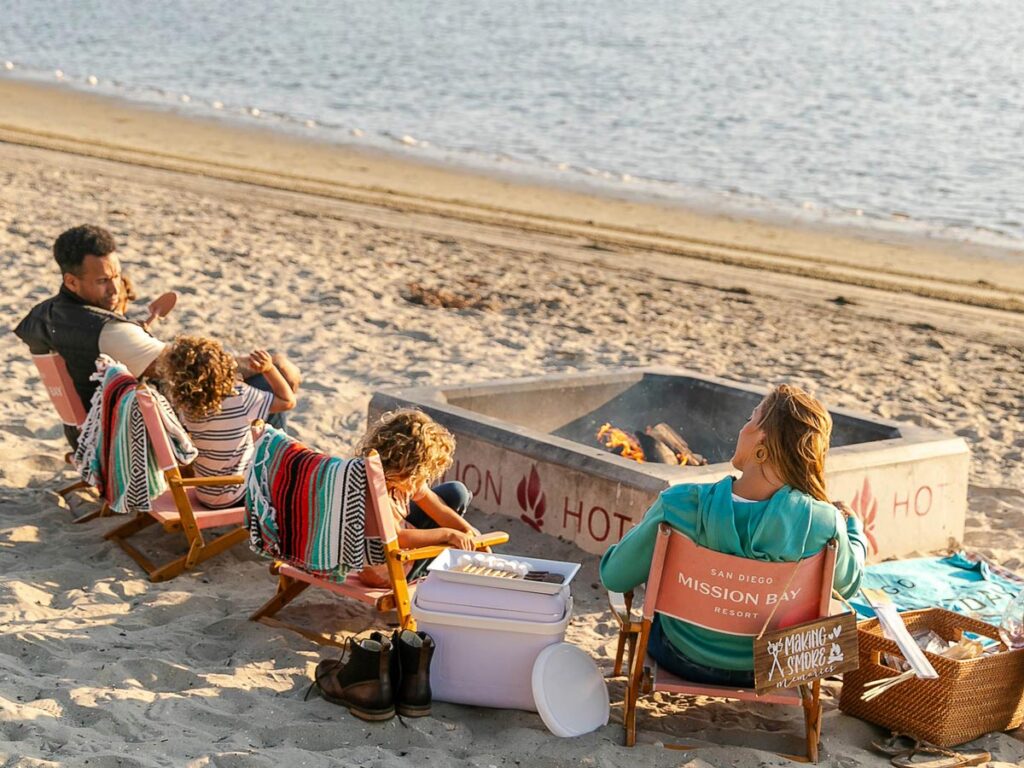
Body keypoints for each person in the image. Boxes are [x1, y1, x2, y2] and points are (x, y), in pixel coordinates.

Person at [600, 383, 867, 686]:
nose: (742, 430)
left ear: (762, 440)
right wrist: (854, 530)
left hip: (680, 655)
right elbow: (849, 585)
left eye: (749, 421)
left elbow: (614, 577)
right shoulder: (823, 522)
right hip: (770, 665)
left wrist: (641, 530)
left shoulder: (681, 503)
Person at [14, 225, 166, 446]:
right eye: (103, 281)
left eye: (117, 276)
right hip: (125, 443)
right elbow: (183, 364)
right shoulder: (108, 331)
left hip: (83, 437)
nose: (115, 289)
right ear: (71, 282)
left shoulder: (41, 315)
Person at [160, 336, 296, 509]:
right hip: (237, 492)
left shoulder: (184, 404)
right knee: (268, 394)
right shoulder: (240, 396)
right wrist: (269, 369)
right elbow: (287, 402)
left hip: (205, 492)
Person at [356, 408, 483, 587]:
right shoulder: (376, 491)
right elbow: (397, 538)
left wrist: (468, 531)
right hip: (391, 570)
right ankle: (428, 573)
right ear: (409, 470)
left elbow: (435, 505)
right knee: (451, 540)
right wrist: (449, 535)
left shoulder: (394, 477)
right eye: (423, 475)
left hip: (395, 547)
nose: (425, 481)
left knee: (455, 492)